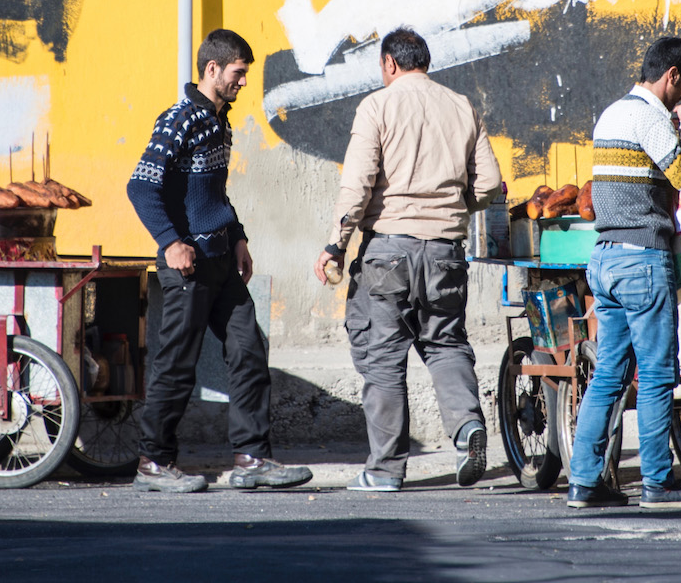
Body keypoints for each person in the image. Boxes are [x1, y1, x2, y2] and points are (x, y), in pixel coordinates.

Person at [314, 28, 504, 492]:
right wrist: (450, 206)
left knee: (382, 357)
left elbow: (357, 185)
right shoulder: (462, 105)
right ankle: (466, 428)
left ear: (389, 65)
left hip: (389, 250)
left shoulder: (377, 106)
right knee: (445, 344)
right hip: (445, 251)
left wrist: (336, 243)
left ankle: (384, 471)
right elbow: (489, 185)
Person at [126, 28, 312, 493]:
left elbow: (210, 194)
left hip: (222, 261)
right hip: (187, 265)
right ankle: (154, 462)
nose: (244, 82)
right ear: (213, 69)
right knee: (176, 363)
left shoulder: (218, 121)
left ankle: (252, 459)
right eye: (238, 73)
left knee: (248, 351)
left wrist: (239, 237)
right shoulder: (178, 119)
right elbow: (141, 186)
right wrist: (171, 242)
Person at [567, 37, 681, 511]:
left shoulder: (611, 113)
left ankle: (584, 482)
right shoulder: (651, 117)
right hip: (641, 259)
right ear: (671, 75)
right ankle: (658, 482)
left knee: (609, 373)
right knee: (655, 374)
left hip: (605, 257)